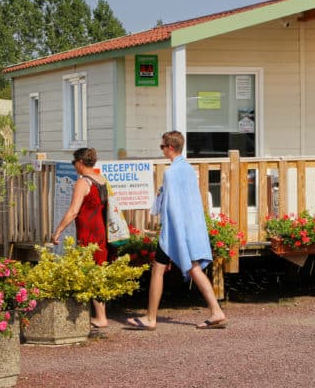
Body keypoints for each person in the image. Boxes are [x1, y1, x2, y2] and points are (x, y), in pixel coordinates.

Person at [126, 130, 227, 331]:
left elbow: (172, 206)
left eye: (162, 146)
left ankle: (150, 318)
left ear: (170, 147)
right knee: (193, 267)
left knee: (159, 268)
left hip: (176, 230)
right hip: (191, 226)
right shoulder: (188, 169)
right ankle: (216, 311)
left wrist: (167, 228)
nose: (161, 149)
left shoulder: (171, 173)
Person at [51, 147, 110, 328]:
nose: (74, 166)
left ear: (80, 162)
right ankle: (100, 314)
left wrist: (58, 230)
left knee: (88, 270)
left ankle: (100, 317)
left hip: (88, 231)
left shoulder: (83, 183)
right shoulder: (101, 180)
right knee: (98, 270)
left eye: (74, 163)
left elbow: (73, 211)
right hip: (100, 229)